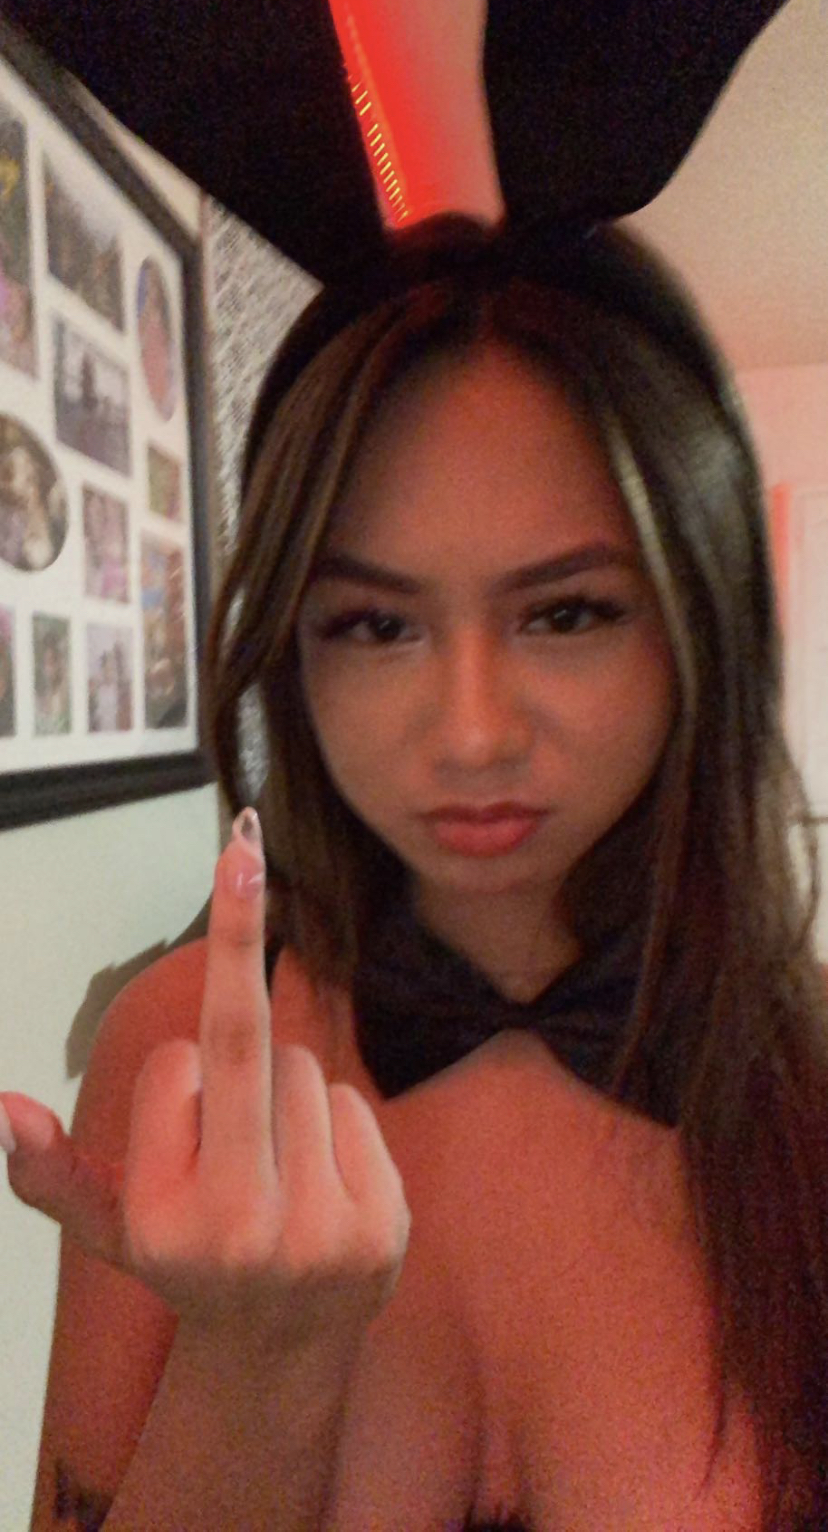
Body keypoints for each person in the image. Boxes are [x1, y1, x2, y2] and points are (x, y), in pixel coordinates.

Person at [1, 214, 827, 1530]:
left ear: (699, 624)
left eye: (567, 612)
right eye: (376, 624)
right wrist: (254, 1361)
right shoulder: (175, 1055)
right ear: (294, 643)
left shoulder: (807, 1092)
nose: (473, 734)